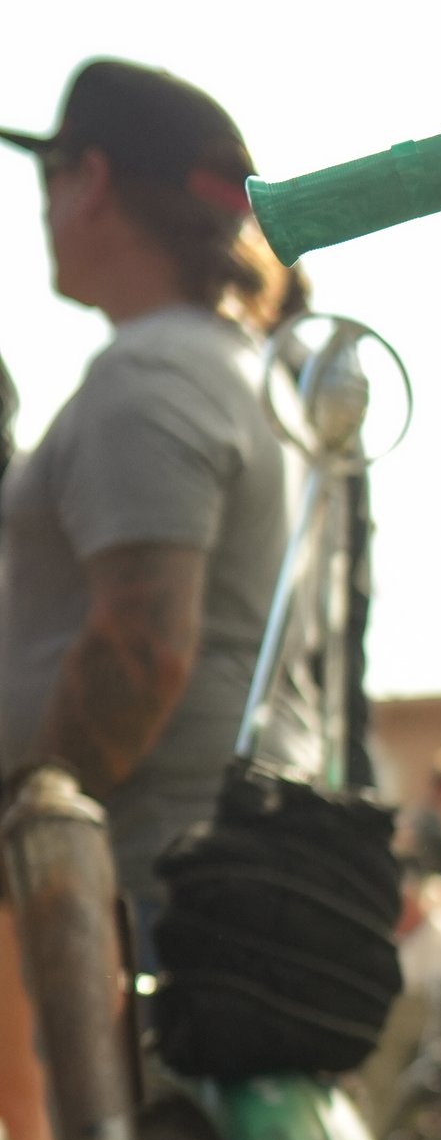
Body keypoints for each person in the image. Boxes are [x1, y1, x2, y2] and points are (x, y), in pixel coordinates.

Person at [0, 60, 291, 954]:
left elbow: (141, 650)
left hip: (131, 907)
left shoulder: (151, 374)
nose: (42, 209)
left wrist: (23, 857)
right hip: (172, 893)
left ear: (91, 180)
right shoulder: (230, 364)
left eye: (51, 179)